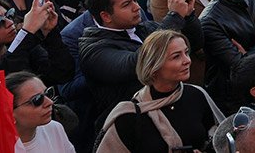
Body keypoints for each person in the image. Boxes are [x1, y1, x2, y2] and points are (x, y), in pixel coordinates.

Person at [78, 0, 203, 128]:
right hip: (132, 125)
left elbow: (195, 44)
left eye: (135, 0)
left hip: (170, 109)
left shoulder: (146, 28)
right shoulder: (94, 49)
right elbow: (136, 64)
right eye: (126, 5)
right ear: (106, 16)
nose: (137, 7)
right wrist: (175, 16)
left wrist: (188, 16)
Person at [95, 29, 224, 153]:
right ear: (154, 67)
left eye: (186, 52)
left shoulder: (196, 95)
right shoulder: (131, 116)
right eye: (176, 57)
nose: (187, 61)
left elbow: (220, 140)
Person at [7, 71, 75, 153]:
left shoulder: (54, 128)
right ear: (10, 114)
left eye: (48, 93)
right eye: (37, 100)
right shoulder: (3, 147)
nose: (50, 102)